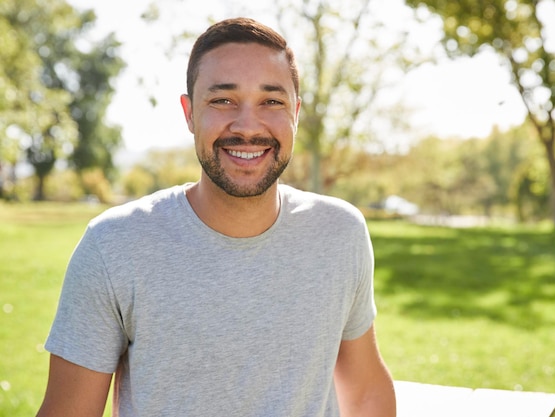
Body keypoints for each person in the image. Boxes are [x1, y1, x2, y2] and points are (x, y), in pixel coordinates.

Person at [36, 17, 396, 417]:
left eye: (271, 101)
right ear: (189, 113)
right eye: (222, 100)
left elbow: (364, 393)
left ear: (295, 113)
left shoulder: (340, 233)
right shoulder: (115, 246)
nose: (247, 126)